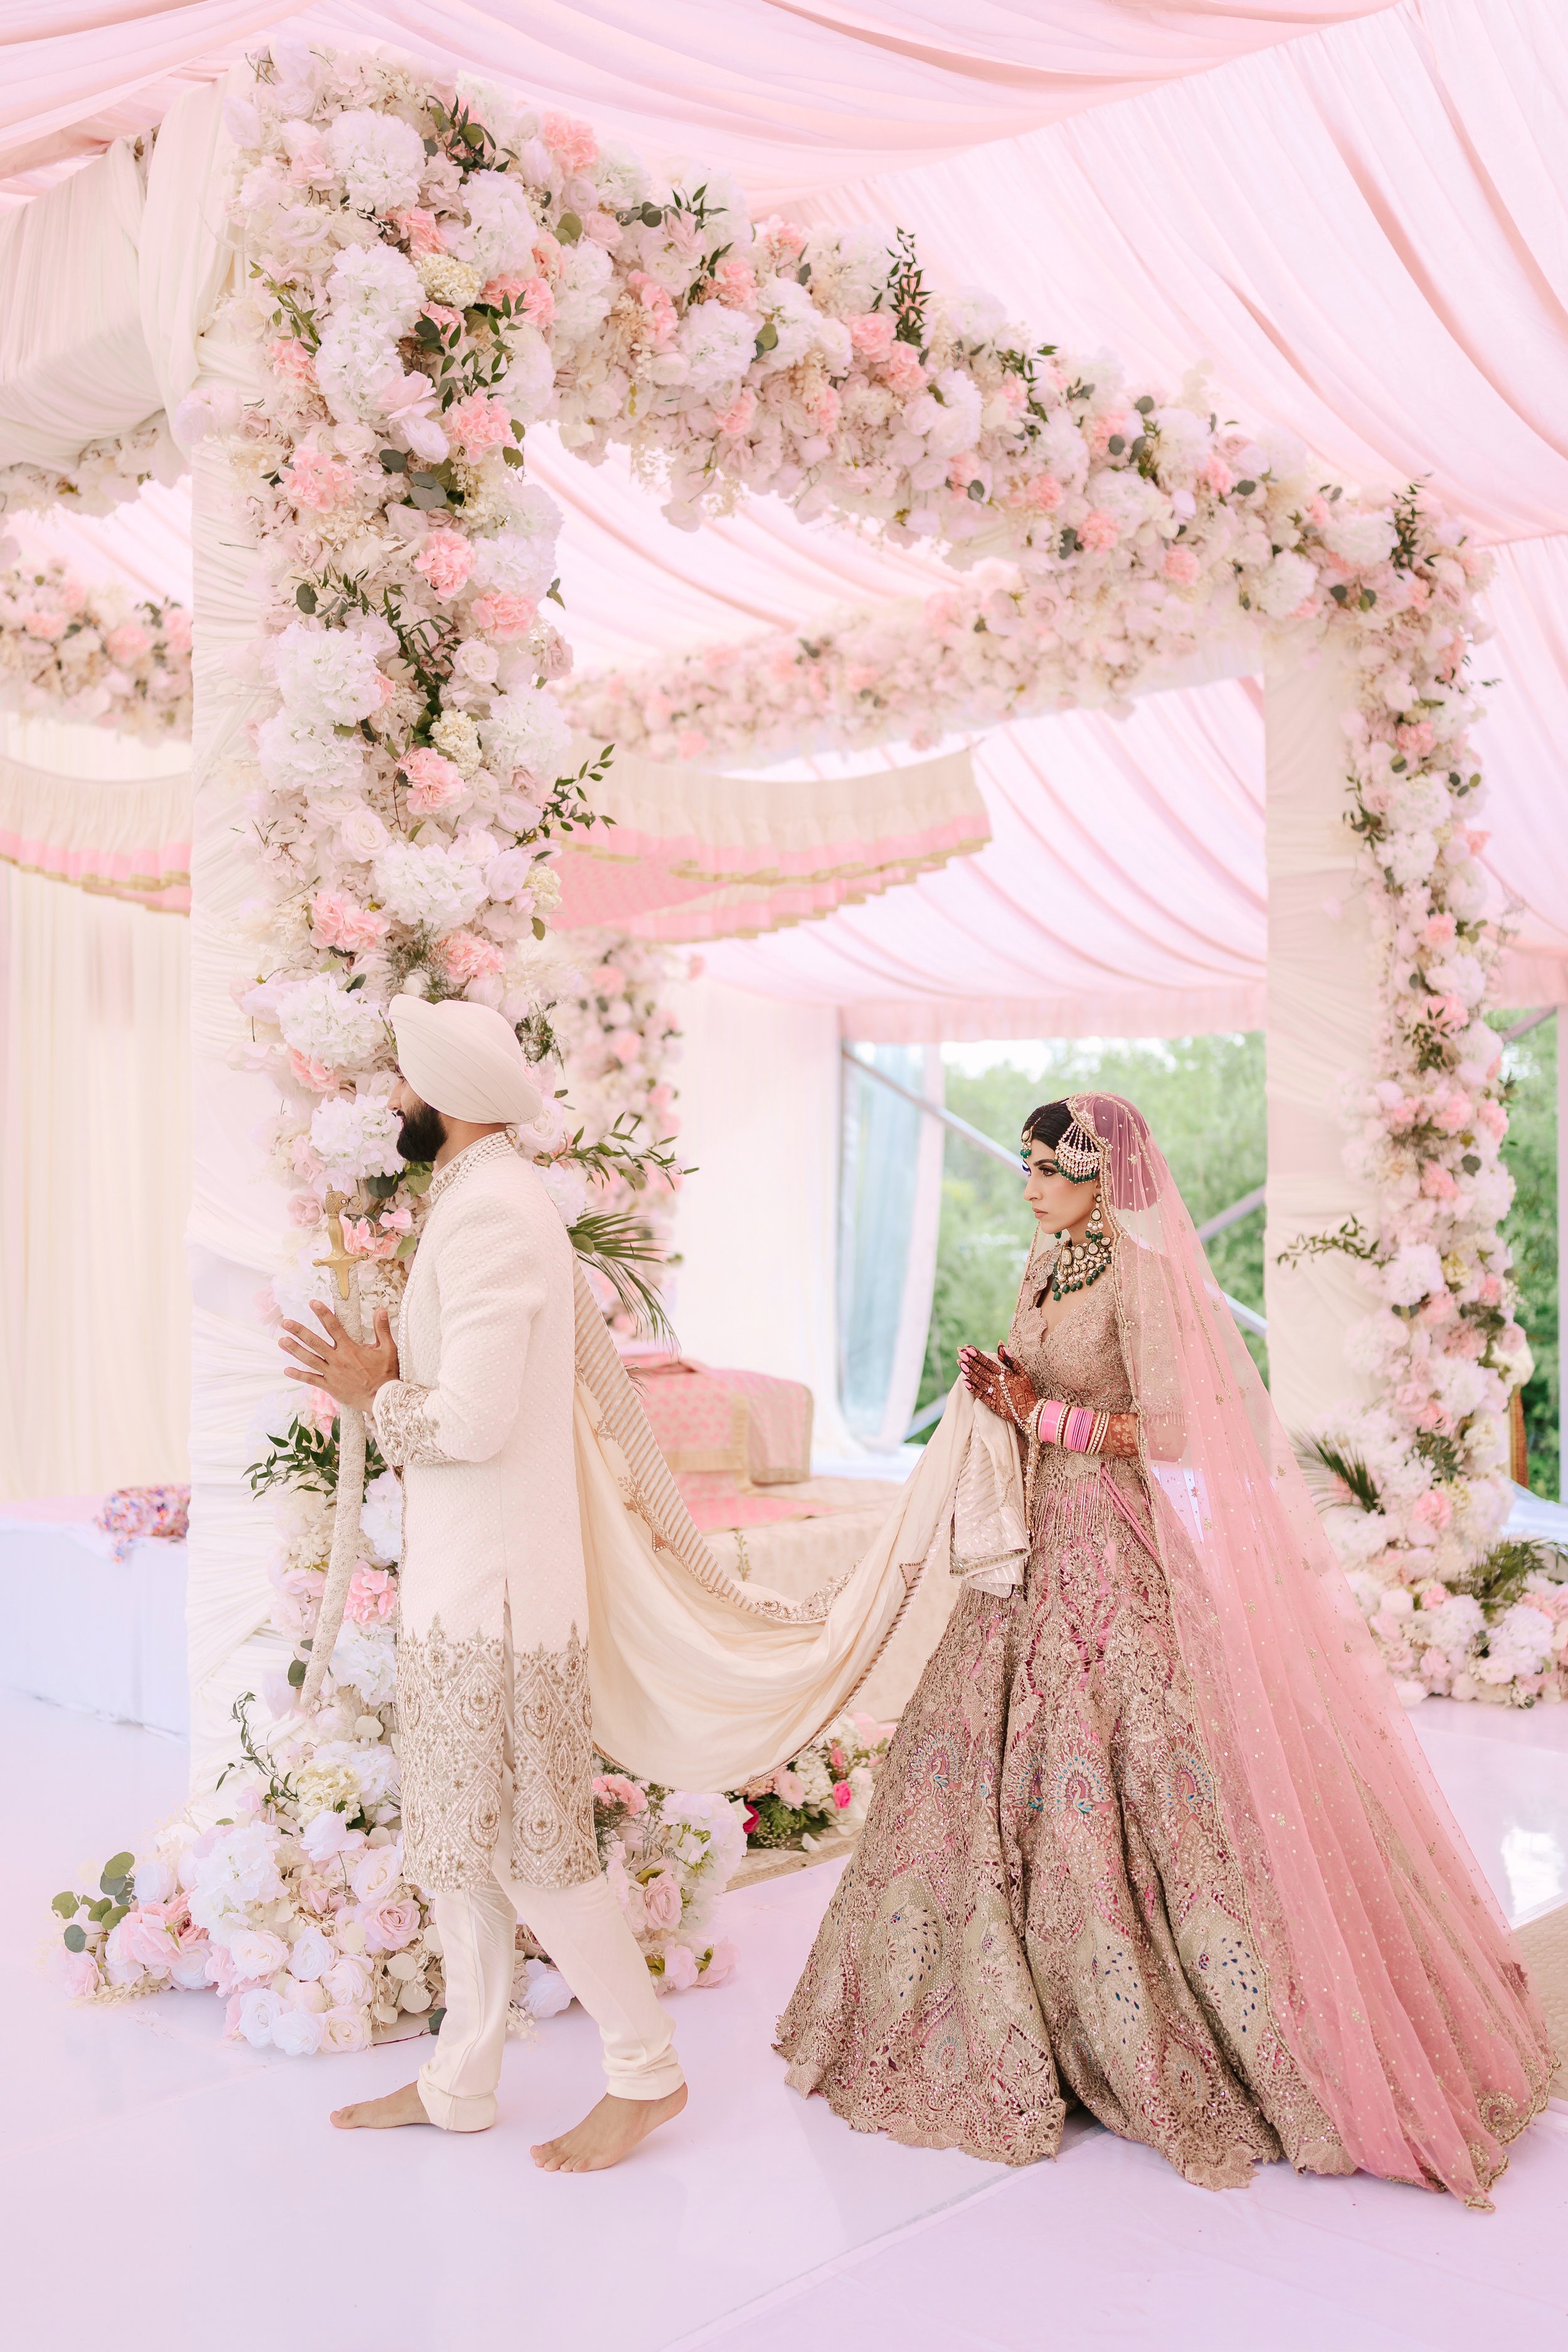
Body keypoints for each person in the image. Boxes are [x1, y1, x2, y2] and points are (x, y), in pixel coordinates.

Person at [777, 1093, 1553, 2206]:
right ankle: (1012, 1995)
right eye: (1030, 1164)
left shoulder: (1144, 1279)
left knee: (1148, 1759)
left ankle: (1169, 2008)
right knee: (996, 1758)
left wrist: (1049, 1418)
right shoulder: (1047, 1268)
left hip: (1115, 1546)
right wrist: (1001, 1397)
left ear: (1104, 1174)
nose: (1032, 1181)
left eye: (1051, 1164)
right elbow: (1040, 1386)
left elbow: (1191, 1422)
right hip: (1034, 1544)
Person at [278, 992, 687, 2170]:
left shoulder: (494, 1212)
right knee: (466, 1839)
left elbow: (476, 1417)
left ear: (444, 1096)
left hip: (502, 1598)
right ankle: (458, 2080)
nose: (393, 1102)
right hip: (467, 1586)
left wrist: (375, 1394)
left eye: (404, 1083)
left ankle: (645, 2068)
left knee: (530, 1847)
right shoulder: (478, 1197)